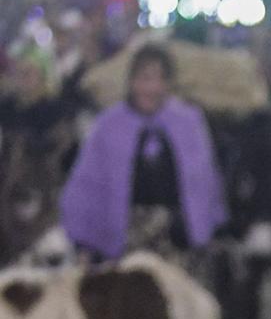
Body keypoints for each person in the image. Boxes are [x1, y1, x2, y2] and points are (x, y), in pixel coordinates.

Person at [61, 43, 225, 262]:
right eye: (144, 79)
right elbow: (88, 182)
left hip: (177, 238)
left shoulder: (188, 122)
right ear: (131, 81)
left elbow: (204, 180)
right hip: (123, 239)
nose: (151, 88)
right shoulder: (109, 125)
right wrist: (84, 239)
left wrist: (204, 225)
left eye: (159, 79)